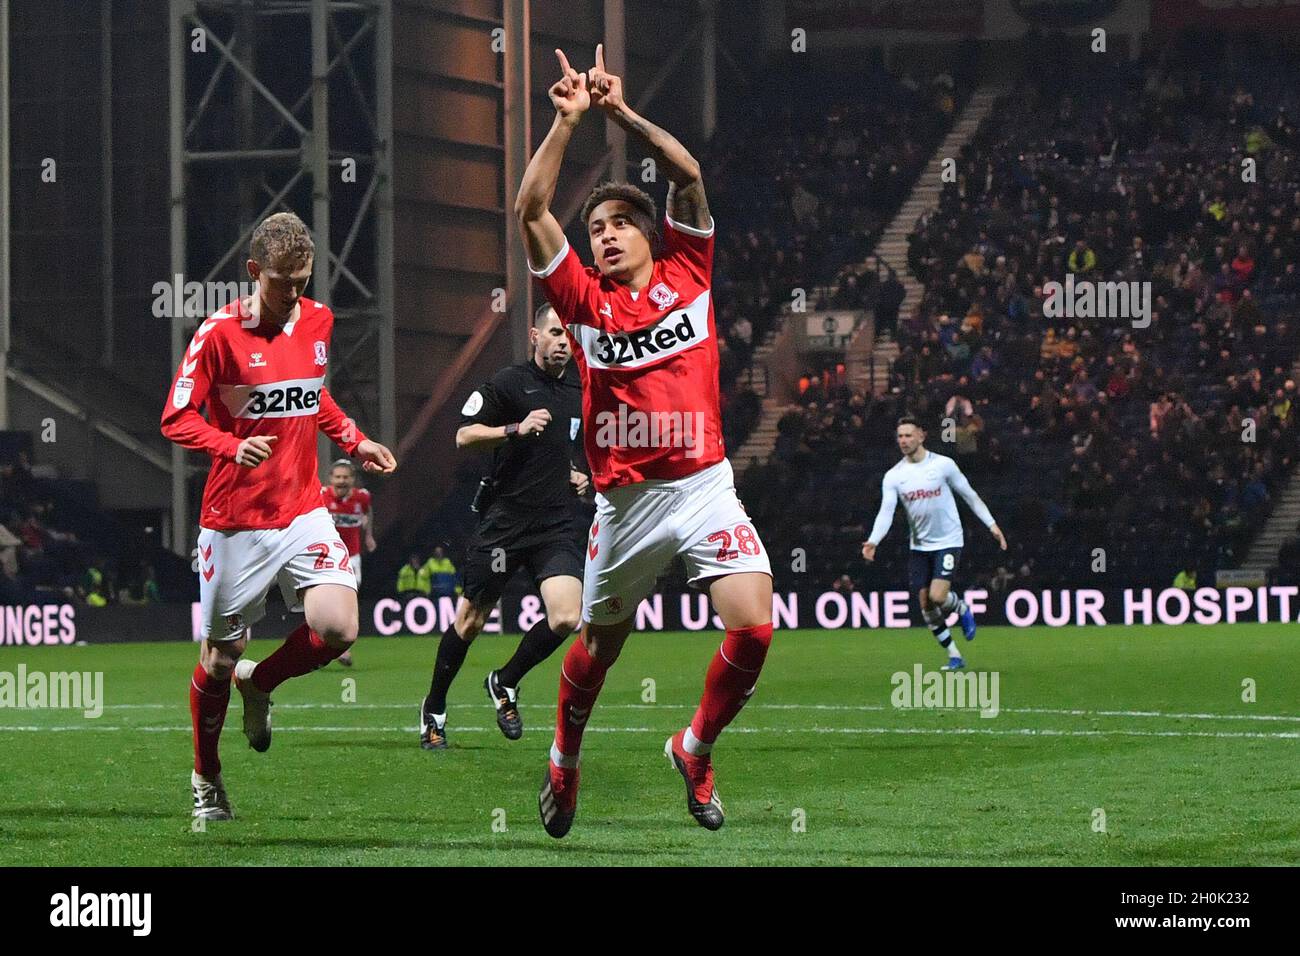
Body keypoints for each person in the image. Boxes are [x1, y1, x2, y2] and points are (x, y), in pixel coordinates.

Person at [516, 45, 774, 837]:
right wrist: (565, 124)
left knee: (755, 626)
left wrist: (623, 117)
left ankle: (693, 748)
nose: (606, 235)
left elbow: (689, 173)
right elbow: (530, 210)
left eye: (622, 222)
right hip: (624, 506)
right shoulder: (583, 300)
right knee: (600, 646)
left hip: (701, 486)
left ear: (651, 234)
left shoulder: (689, 269)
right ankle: (564, 758)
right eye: (596, 227)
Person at [160, 211, 397, 821]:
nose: (295, 295)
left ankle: (260, 682)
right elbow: (176, 418)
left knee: (339, 625)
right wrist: (230, 445)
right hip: (234, 520)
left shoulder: (318, 320)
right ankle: (207, 777)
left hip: (301, 509)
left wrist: (354, 439)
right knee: (216, 658)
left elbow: (312, 395)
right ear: (253, 272)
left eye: (304, 281)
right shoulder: (217, 334)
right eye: (283, 282)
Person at [418, 302, 588, 750]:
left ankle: (505, 681)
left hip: (553, 524)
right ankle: (434, 706)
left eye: (568, 336)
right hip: (505, 524)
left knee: (568, 615)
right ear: (535, 337)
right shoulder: (510, 382)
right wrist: (515, 427)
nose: (561, 343)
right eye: (553, 334)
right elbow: (463, 435)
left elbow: (559, 447)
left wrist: (572, 474)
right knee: (470, 622)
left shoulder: (577, 388)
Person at [861, 416, 1006, 671]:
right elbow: (886, 512)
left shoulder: (943, 465)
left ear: (921, 436)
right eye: (900, 436)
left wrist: (992, 525)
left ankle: (960, 607)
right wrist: (873, 541)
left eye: (908, 435)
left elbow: (969, 495)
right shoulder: (894, 476)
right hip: (919, 546)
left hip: (948, 540)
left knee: (938, 596)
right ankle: (954, 655)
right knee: (926, 604)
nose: (903, 440)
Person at [320, 459, 376, 667]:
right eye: (338, 477)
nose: (342, 481)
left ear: (353, 479)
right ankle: (328, 642)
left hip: (352, 557)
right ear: (331, 479)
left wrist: (368, 535)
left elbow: (368, 512)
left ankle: (341, 645)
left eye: (346, 477)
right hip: (327, 557)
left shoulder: (362, 497)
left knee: (348, 601)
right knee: (327, 600)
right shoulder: (321, 496)